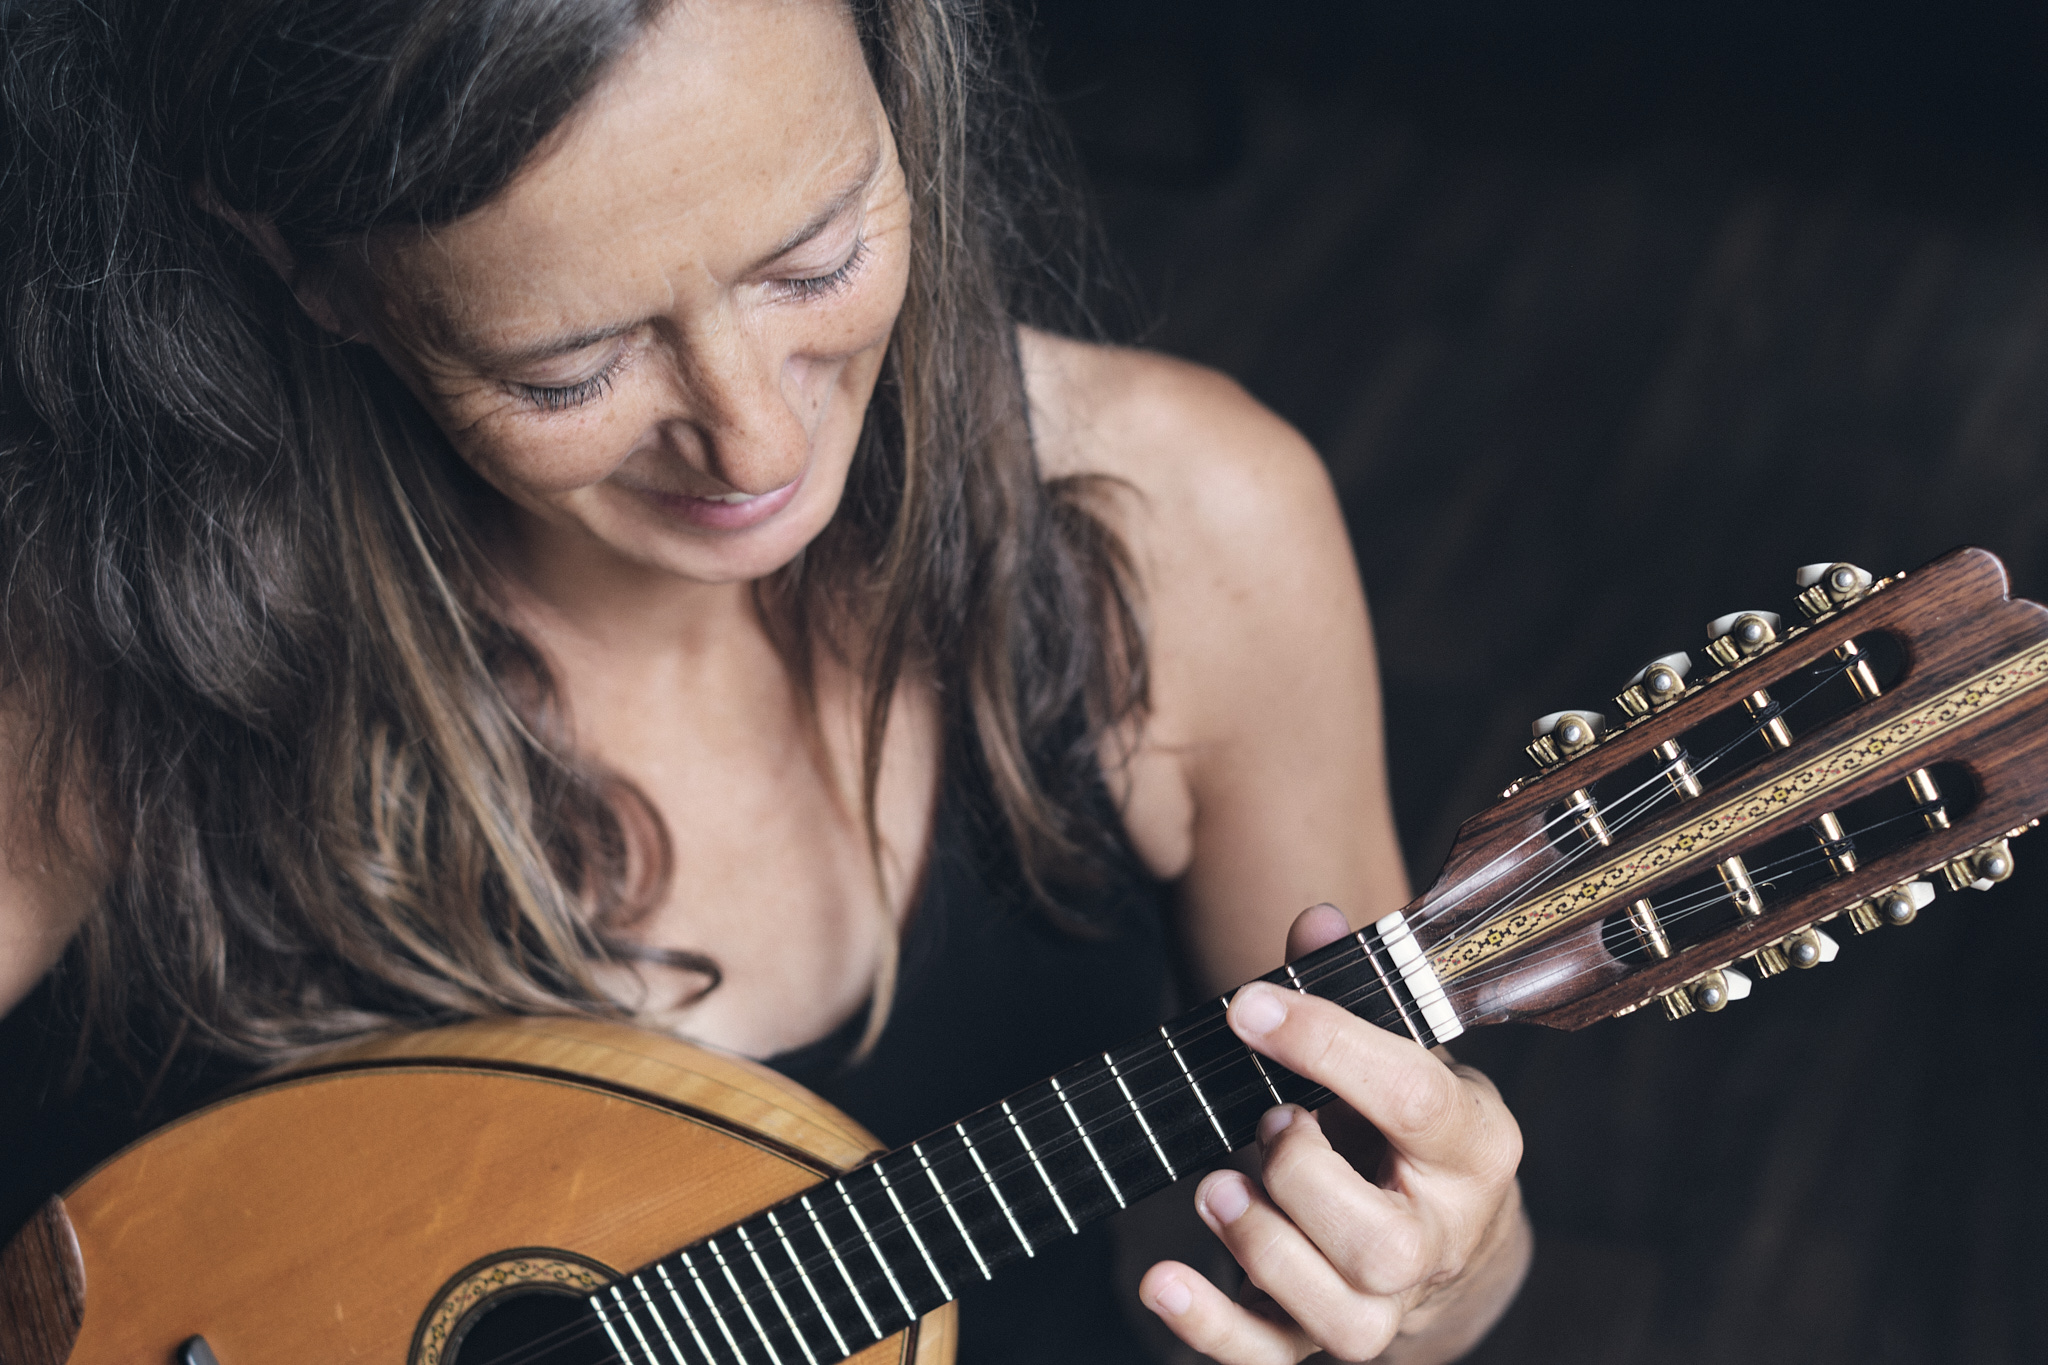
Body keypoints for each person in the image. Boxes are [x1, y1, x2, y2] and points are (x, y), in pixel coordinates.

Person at [0, 0, 1530, 1360]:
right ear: (303, 261)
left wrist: (1429, 1275)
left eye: (817, 255)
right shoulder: (87, 637)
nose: (756, 446)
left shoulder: (1195, 528)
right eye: (570, 366)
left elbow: (1425, 1218)